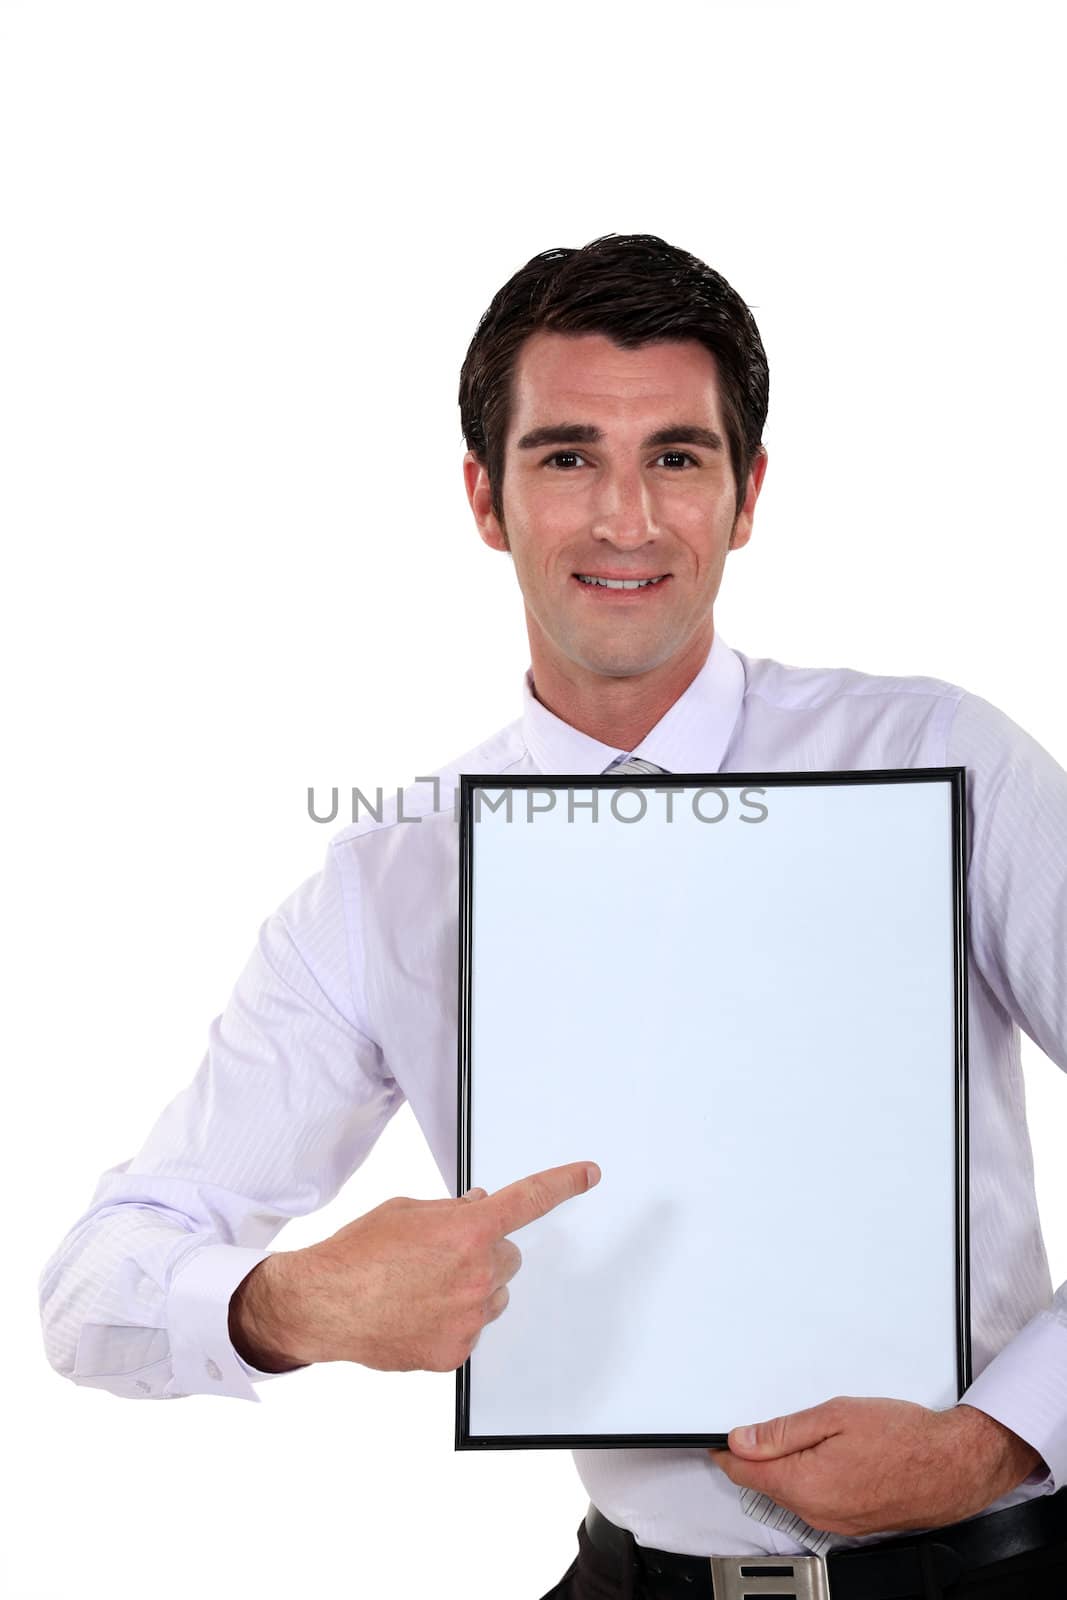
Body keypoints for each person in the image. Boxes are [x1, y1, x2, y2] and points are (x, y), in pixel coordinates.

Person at [39, 233, 1067, 1598]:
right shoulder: (390, 881)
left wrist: (1001, 1437)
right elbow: (94, 1288)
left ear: (748, 495)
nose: (626, 520)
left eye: (679, 459)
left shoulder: (949, 764)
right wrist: (285, 1304)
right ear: (486, 496)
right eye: (568, 456)